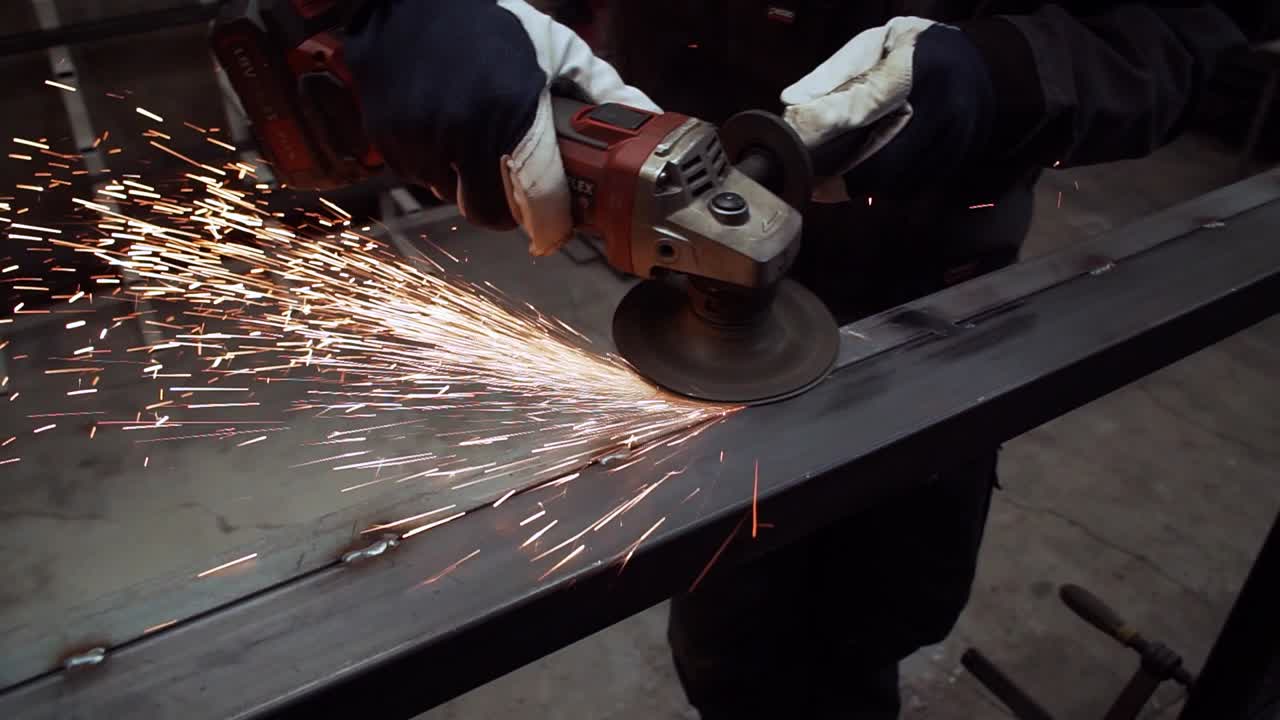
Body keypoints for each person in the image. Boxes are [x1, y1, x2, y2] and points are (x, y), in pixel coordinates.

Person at [344, 1, 1252, 716]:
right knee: (729, 621)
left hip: (924, 266)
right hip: (676, 225)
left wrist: (1005, 73)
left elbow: (1192, 28)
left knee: (876, 609)